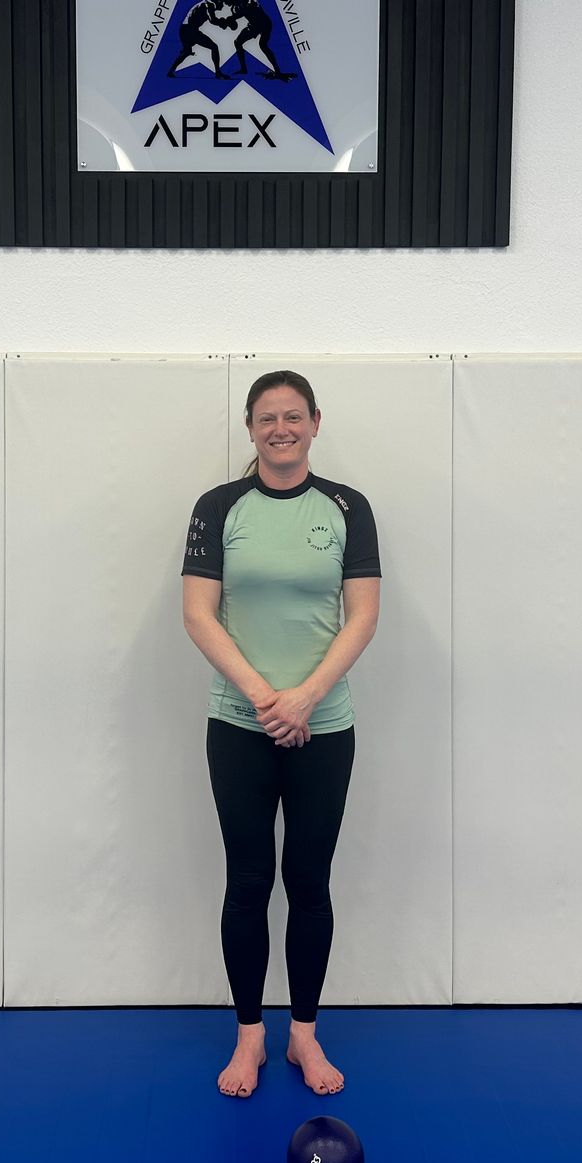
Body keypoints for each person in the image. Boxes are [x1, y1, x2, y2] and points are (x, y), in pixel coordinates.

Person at [180, 371, 381, 1098]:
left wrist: (306, 698)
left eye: (293, 416)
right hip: (240, 726)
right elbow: (199, 613)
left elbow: (361, 615)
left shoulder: (348, 508)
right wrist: (268, 698)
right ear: (251, 428)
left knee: (309, 883)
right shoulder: (219, 507)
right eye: (266, 418)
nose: (280, 428)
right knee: (247, 882)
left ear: (315, 423)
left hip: (324, 727)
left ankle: (302, 1035)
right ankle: (250, 1039)